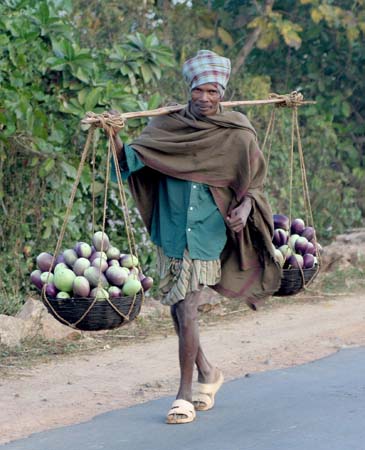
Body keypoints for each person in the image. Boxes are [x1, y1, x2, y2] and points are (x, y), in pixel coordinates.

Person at [109, 50, 281, 424]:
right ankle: (207, 371)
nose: (205, 98)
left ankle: (183, 396)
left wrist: (245, 208)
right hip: (170, 229)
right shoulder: (166, 127)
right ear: (189, 90)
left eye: (212, 92)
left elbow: (253, 184)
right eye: (199, 91)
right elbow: (129, 164)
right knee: (176, 305)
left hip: (206, 232)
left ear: (222, 93)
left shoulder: (237, 134)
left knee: (187, 306)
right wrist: (114, 135)